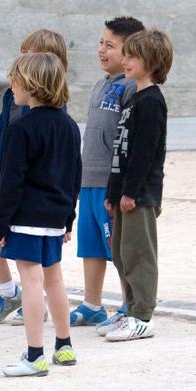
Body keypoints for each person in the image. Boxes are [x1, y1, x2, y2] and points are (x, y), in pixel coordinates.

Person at [0, 52, 81, 377]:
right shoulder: (70, 126)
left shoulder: (20, 129)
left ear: (30, 84)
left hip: (26, 217)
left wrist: (0, 224)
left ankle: (34, 355)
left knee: (30, 280)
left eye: (15, 79)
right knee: (54, 279)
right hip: (56, 217)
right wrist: (68, 218)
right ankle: (65, 345)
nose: (11, 86)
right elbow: (74, 177)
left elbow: (11, 182)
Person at [0, 29, 68, 325]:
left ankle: (33, 301)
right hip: (3, 180)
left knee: (26, 253)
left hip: (27, 188)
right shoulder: (11, 95)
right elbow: (0, 130)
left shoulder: (53, 110)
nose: (23, 58)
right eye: (23, 51)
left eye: (31, 54)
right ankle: (9, 292)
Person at [71, 17, 143, 329]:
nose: (102, 50)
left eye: (110, 45)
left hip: (109, 182)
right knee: (90, 245)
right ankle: (92, 304)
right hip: (89, 179)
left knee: (116, 247)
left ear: (130, 51)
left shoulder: (131, 88)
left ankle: (130, 303)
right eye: (101, 42)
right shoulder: (101, 84)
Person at [102, 29, 173, 342]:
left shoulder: (152, 102)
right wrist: (113, 193)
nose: (126, 61)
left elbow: (144, 153)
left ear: (152, 62)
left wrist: (130, 192)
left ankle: (142, 314)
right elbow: (121, 150)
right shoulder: (132, 96)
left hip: (140, 195)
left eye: (133, 56)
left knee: (138, 254)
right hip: (125, 193)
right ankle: (129, 309)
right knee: (121, 253)